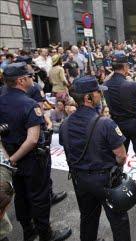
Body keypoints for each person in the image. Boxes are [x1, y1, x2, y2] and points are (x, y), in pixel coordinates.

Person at [0, 62, 71, 241]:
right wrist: (13, 159)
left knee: (21, 195)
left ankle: (28, 231)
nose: (33, 79)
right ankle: (46, 235)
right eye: (30, 77)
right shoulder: (29, 104)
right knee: (39, 198)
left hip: (11, 158)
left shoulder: (1, 98)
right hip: (30, 160)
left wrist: (9, 159)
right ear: (21, 80)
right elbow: (32, 139)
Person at [59, 75, 131, 241]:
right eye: (98, 92)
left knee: (88, 219)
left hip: (81, 180)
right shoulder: (105, 124)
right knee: (119, 221)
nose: (101, 94)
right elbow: (121, 156)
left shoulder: (65, 124)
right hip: (105, 180)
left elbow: (67, 148)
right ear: (88, 97)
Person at [103, 54, 136, 198]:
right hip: (134, 123)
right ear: (125, 67)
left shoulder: (106, 86)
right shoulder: (131, 84)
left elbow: (105, 81)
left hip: (117, 124)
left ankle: (116, 183)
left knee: (120, 154)